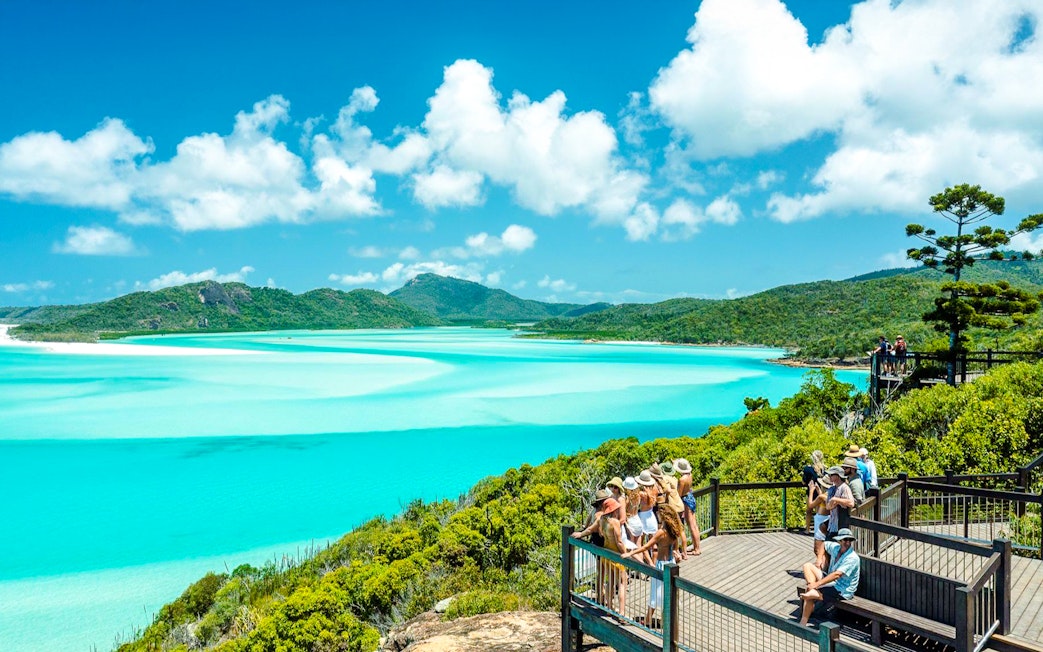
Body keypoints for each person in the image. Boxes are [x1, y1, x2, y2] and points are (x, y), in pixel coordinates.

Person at [622, 499, 684, 629]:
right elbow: (675, 548)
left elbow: (646, 547)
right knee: (668, 592)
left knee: (655, 592)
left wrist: (630, 553)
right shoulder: (674, 531)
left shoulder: (662, 532)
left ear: (663, 516)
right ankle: (664, 619)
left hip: (661, 565)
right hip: (671, 563)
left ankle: (649, 619)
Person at [798, 528, 860, 626]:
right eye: (845, 539)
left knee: (809, 593)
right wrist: (819, 559)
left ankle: (803, 622)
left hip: (843, 589)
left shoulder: (852, 558)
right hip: (831, 581)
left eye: (850, 540)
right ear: (839, 540)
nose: (847, 542)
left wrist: (817, 584)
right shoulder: (836, 547)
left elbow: (837, 575)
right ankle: (813, 590)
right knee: (807, 566)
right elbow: (823, 544)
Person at [597, 496, 627, 613]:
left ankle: (609, 607)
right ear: (613, 510)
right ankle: (622, 612)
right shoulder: (614, 522)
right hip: (616, 555)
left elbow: (601, 535)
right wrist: (626, 554)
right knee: (622, 583)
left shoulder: (601, 520)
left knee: (610, 581)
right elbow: (619, 541)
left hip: (607, 553)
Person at [657, 461, 689, 560]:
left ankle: (676, 552)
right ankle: (684, 552)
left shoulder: (666, 478)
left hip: (673, 506)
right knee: (681, 529)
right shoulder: (675, 478)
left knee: (673, 530)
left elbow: (666, 489)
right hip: (679, 504)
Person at [674, 458, 702, 556]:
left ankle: (696, 549)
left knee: (691, 525)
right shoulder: (690, 475)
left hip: (685, 500)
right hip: (691, 497)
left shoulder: (682, 479)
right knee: (694, 525)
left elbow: (679, 494)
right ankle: (696, 547)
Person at [635, 471, 659, 565]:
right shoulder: (655, 490)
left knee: (641, 544)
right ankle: (654, 563)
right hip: (651, 516)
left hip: (643, 518)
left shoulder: (641, 493)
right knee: (654, 544)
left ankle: (650, 564)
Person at [825, 466, 854, 539]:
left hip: (841, 524)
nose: (829, 476)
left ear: (838, 476)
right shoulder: (831, 489)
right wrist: (834, 502)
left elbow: (851, 503)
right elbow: (828, 507)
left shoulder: (845, 488)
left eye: (831, 475)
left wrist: (836, 500)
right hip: (832, 524)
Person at [808, 478, 830, 570]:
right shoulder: (829, 495)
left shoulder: (822, 497)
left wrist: (811, 491)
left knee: (817, 549)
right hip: (827, 520)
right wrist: (818, 490)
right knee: (824, 549)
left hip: (821, 521)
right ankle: (825, 568)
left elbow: (810, 505)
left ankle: (822, 569)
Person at [802, 451, 827, 532]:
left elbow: (804, 481)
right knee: (818, 512)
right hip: (820, 492)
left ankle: (807, 529)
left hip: (811, 492)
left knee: (809, 511)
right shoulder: (824, 469)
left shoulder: (808, 469)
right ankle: (818, 529)